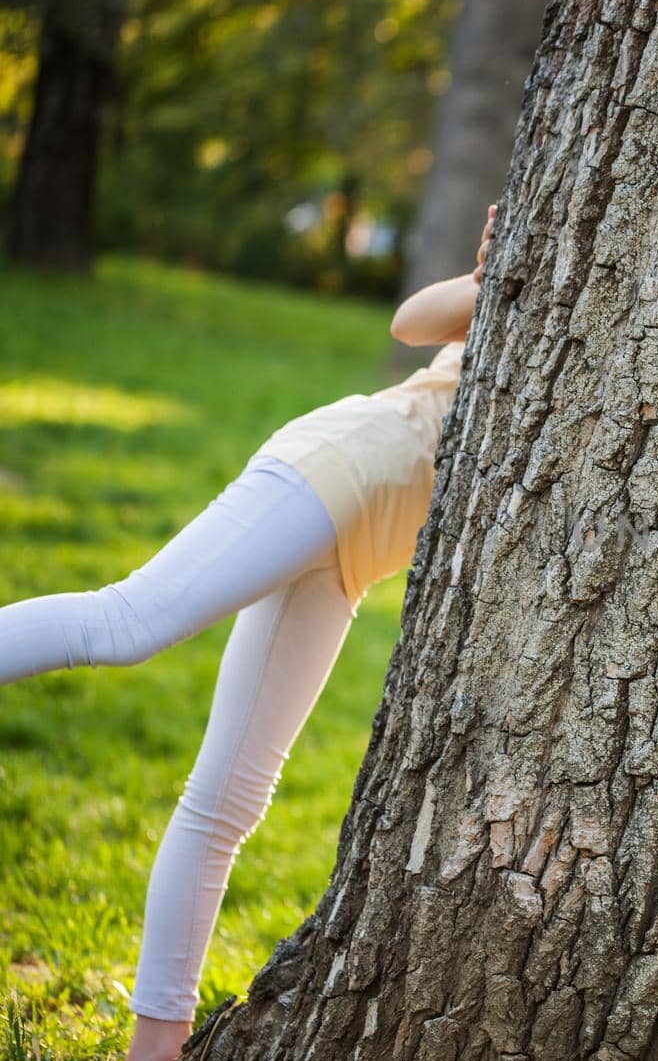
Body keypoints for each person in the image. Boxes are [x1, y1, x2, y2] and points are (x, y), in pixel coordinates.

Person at [0, 205, 496, 1061]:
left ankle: (154, 1050)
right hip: (337, 468)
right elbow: (409, 320)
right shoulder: (526, 281)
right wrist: (495, 270)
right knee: (129, 622)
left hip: (351, 554)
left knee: (227, 803)